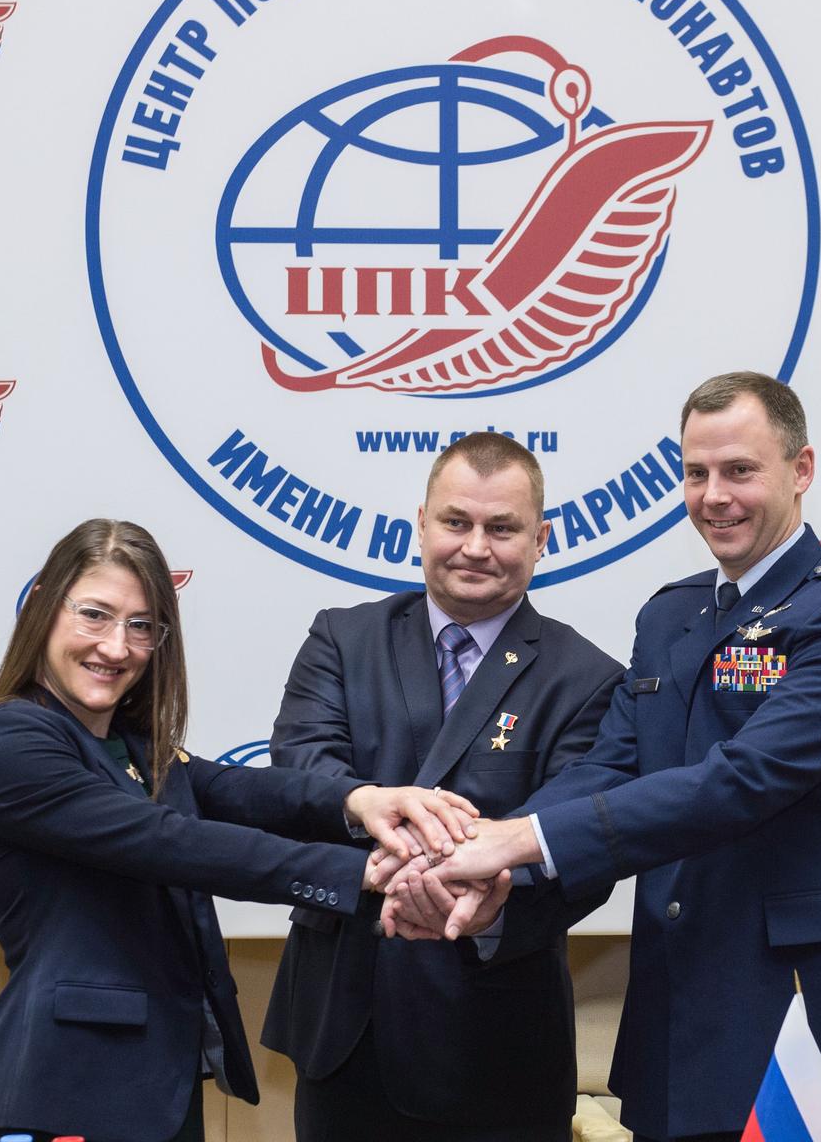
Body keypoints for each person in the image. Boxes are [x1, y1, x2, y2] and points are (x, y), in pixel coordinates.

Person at [379, 373, 821, 1142]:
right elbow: (611, 767)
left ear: (800, 471)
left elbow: (742, 781)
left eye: (740, 470)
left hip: (815, 1007)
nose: (715, 496)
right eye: (696, 472)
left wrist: (517, 841)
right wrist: (486, 857)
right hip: (680, 1001)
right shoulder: (671, 614)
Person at [0, 518, 478, 1142]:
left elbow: (244, 792)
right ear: (42, 608)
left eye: (141, 626)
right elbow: (169, 842)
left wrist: (363, 800)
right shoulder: (15, 742)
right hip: (63, 1098)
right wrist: (361, 872)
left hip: (155, 1092)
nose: (117, 647)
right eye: (95, 614)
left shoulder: (132, 748)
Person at [261, 433, 624, 1142]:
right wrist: (385, 823)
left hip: (498, 1042)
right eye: (456, 522)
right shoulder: (341, 638)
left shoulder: (587, 679)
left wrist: (479, 900)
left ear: (542, 538)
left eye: (503, 528)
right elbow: (301, 767)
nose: (475, 547)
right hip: (346, 1028)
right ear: (420, 523)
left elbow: (583, 846)